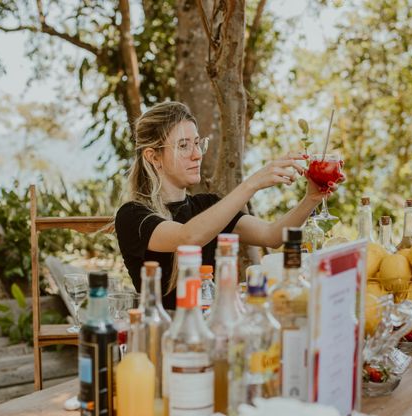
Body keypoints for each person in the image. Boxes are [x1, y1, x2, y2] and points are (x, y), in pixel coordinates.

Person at [115, 101, 337, 310]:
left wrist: (311, 199)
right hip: (164, 340)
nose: (197, 155)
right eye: (183, 146)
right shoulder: (133, 216)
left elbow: (272, 236)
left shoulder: (207, 206)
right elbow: (188, 238)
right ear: (154, 157)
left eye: (197, 143)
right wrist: (251, 184)